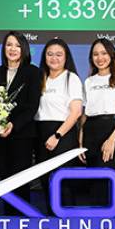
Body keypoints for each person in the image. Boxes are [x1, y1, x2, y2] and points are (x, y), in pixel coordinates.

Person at [0, 32, 41, 214]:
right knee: (4, 180)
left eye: (17, 45)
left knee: (20, 180)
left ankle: (21, 219)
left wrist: (13, 125)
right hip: (0, 136)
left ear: (24, 49)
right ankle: (8, 219)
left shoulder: (33, 72)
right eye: (9, 44)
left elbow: (32, 106)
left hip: (22, 134)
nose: (12, 49)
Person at [79, 38, 115, 206]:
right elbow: (85, 113)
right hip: (90, 130)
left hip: (111, 128)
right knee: (92, 177)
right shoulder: (89, 81)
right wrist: (80, 139)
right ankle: (95, 217)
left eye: (104, 53)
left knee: (105, 176)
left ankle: (108, 218)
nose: (100, 58)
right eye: (95, 54)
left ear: (111, 55)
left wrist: (112, 140)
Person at [34, 38, 83, 213]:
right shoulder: (40, 78)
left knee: (63, 183)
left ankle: (67, 223)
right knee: (46, 181)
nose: (54, 58)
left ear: (66, 57)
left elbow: (76, 112)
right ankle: (52, 221)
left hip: (62, 135)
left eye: (59, 54)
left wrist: (57, 135)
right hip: (41, 133)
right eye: (50, 54)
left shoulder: (71, 78)